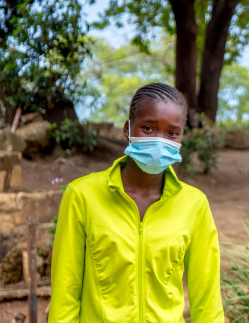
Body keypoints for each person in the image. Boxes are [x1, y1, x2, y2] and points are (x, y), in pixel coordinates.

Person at [49, 83, 224, 322]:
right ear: (127, 129)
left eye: (172, 133)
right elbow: (65, 293)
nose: (160, 141)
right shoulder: (82, 196)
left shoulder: (194, 205)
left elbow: (208, 299)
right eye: (148, 128)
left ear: (182, 137)